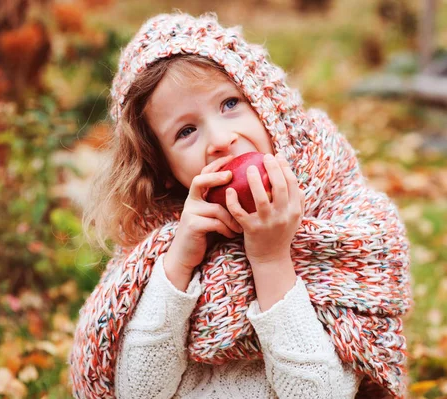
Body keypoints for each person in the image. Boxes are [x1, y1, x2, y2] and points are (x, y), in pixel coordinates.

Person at [70, 11, 411, 399]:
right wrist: (179, 262)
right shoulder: (158, 248)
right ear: (164, 170)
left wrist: (270, 259)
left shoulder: (349, 224)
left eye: (230, 103)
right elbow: (138, 392)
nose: (220, 138)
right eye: (186, 131)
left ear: (267, 107)